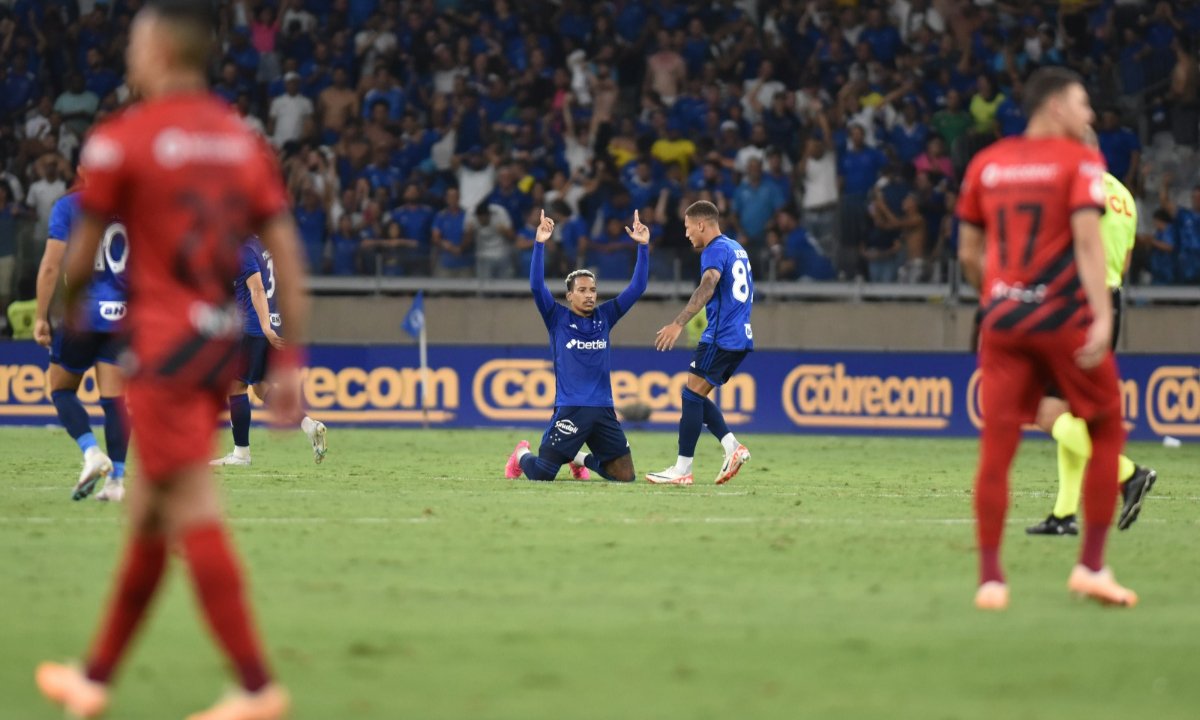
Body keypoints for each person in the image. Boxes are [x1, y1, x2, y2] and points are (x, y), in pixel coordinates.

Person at [35, 3, 308, 719]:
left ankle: (256, 688)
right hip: (217, 340)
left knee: (187, 508)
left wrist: (69, 323)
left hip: (160, 346)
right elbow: (284, 253)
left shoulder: (121, 139)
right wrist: (291, 359)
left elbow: (84, 255)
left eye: (135, 43)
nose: (131, 53)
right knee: (152, 516)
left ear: (157, 50)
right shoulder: (243, 144)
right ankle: (94, 680)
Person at [956, 67, 1133, 612]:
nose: (1090, 115)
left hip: (1004, 319)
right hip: (1065, 317)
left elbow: (967, 253)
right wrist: (1101, 319)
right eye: (1083, 103)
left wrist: (999, 297)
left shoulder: (986, 164)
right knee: (1106, 427)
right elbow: (1088, 244)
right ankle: (1092, 568)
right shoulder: (1083, 163)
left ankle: (991, 580)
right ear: (1055, 106)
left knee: (998, 445)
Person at [1026, 141, 1157, 537]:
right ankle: (1064, 514)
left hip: (1076, 301)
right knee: (1070, 411)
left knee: (1040, 409)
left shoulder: (1077, 190)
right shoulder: (1125, 197)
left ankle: (1129, 473)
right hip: (1110, 302)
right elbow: (1126, 261)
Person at [504, 209, 649, 483]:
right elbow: (537, 286)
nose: (589, 295)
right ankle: (521, 454)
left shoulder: (606, 316)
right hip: (570, 408)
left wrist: (643, 247)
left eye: (592, 290)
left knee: (624, 476)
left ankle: (578, 457)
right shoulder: (556, 317)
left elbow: (637, 287)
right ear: (570, 295)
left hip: (604, 410)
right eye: (582, 290)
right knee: (543, 474)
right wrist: (539, 244)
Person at [32, 176, 130, 502]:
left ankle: (91, 452)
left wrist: (40, 316)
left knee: (60, 389)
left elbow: (50, 266)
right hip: (124, 316)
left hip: (82, 314)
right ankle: (116, 481)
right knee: (115, 401)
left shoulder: (70, 206)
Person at [646, 200, 752, 486]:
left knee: (691, 397)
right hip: (740, 335)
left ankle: (682, 470)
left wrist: (678, 322)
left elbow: (708, 284)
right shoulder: (735, 248)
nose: (686, 233)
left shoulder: (714, 249)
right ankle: (732, 447)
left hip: (720, 336)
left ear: (701, 224)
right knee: (694, 394)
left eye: (688, 227)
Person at [212, 236, 327, 466]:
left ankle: (241, 454)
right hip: (270, 324)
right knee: (261, 388)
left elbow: (257, 289)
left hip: (252, 327)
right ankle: (309, 426)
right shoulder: (265, 245)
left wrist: (265, 326)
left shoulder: (245, 248)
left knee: (236, 386)